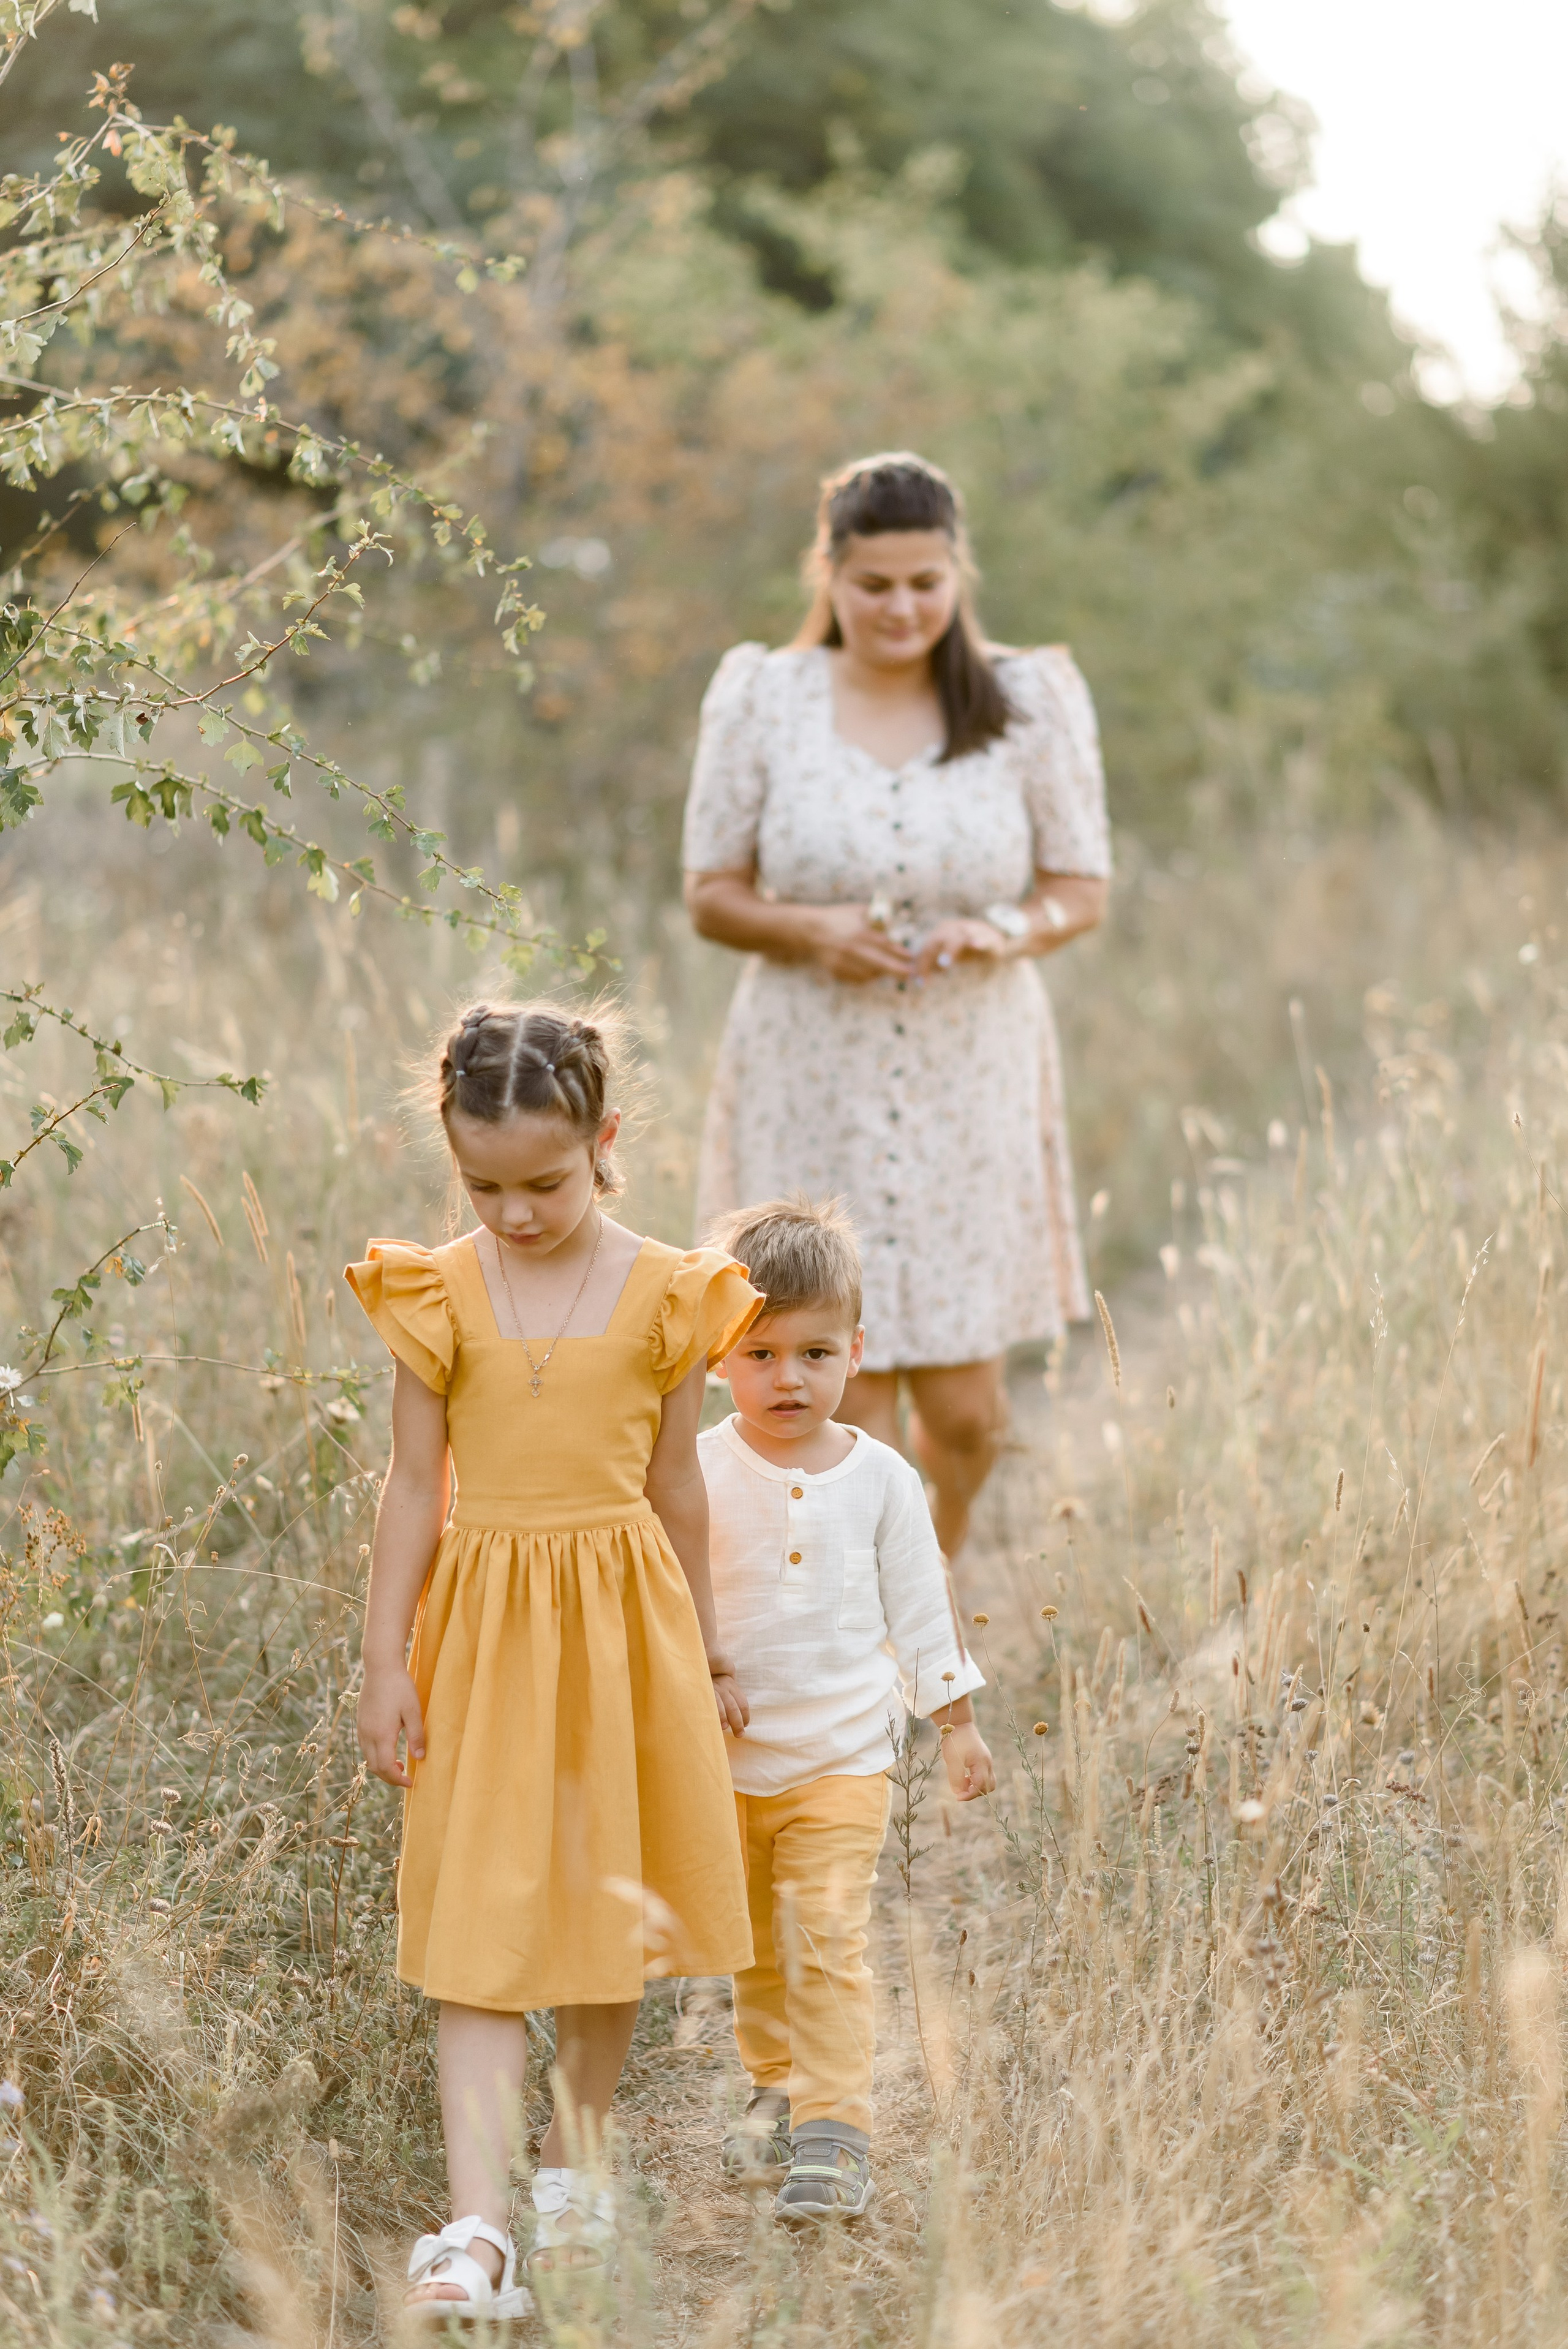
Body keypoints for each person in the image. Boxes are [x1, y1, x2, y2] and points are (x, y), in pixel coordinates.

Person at [347, 1001, 761, 2321]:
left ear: (605, 1141)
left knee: (601, 1906)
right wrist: (383, 1661)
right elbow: (414, 1489)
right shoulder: (438, 1288)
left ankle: (572, 2175)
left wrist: (704, 1653)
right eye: (484, 1185)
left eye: (545, 1182)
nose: (514, 1214)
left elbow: (679, 1486)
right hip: (480, 1626)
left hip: (623, 1623)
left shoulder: (667, 1291)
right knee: (472, 1918)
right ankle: (477, 2228)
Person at [683, 451, 1110, 1563]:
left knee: (968, 1412)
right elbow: (710, 895)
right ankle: (857, 1647)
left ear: (957, 573)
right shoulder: (762, 694)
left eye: (927, 582)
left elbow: (1081, 888)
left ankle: (935, 1573)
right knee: (835, 1399)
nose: (902, 607)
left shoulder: (1027, 698)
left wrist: (1003, 931)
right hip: (808, 1063)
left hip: (975, 1064)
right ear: (828, 572)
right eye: (875, 584)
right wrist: (815, 929)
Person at [699, 1195, 994, 2223]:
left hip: (842, 1761)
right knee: (751, 1948)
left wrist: (953, 1720)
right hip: (727, 1763)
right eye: (763, 1353)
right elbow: (668, 1595)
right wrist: (702, 1672)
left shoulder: (881, 1478)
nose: (791, 1378)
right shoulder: (695, 1471)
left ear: (857, 1352)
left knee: (824, 1936)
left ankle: (836, 2131)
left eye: (816, 1354)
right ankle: (776, 2087)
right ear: (717, 1357)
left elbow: (921, 1599)